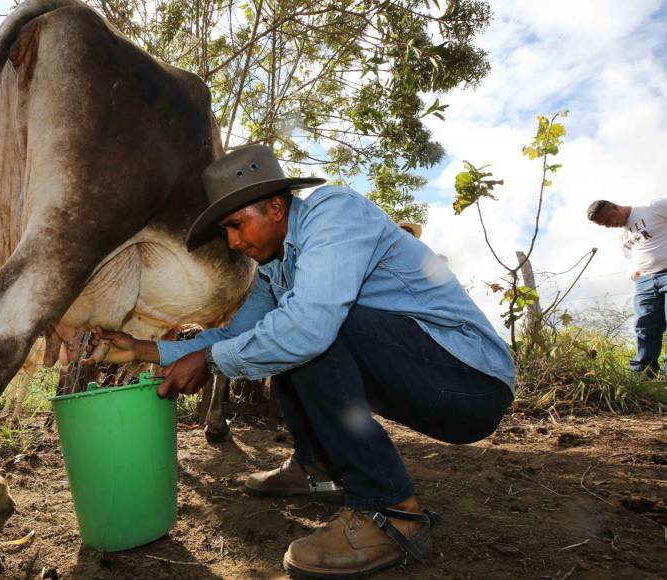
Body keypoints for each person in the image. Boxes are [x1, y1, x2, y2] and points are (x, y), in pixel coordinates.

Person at [88, 145, 515, 578]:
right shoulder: (276, 269)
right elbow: (237, 337)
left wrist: (210, 361)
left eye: (237, 225)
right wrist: (146, 350)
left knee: (308, 330)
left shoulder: (335, 214)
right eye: (227, 232)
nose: (234, 242)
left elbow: (309, 328)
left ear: (276, 207)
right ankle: (317, 467)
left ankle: (390, 510)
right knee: (282, 331)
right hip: (426, 380)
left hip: (470, 383)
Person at [588, 198, 667, 377]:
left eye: (608, 220)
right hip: (645, 282)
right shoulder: (623, 236)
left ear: (614, 207)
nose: (609, 226)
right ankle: (643, 375)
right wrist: (632, 272)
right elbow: (630, 258)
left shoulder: (653, 207)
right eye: (604, 225)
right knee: (644, 327)